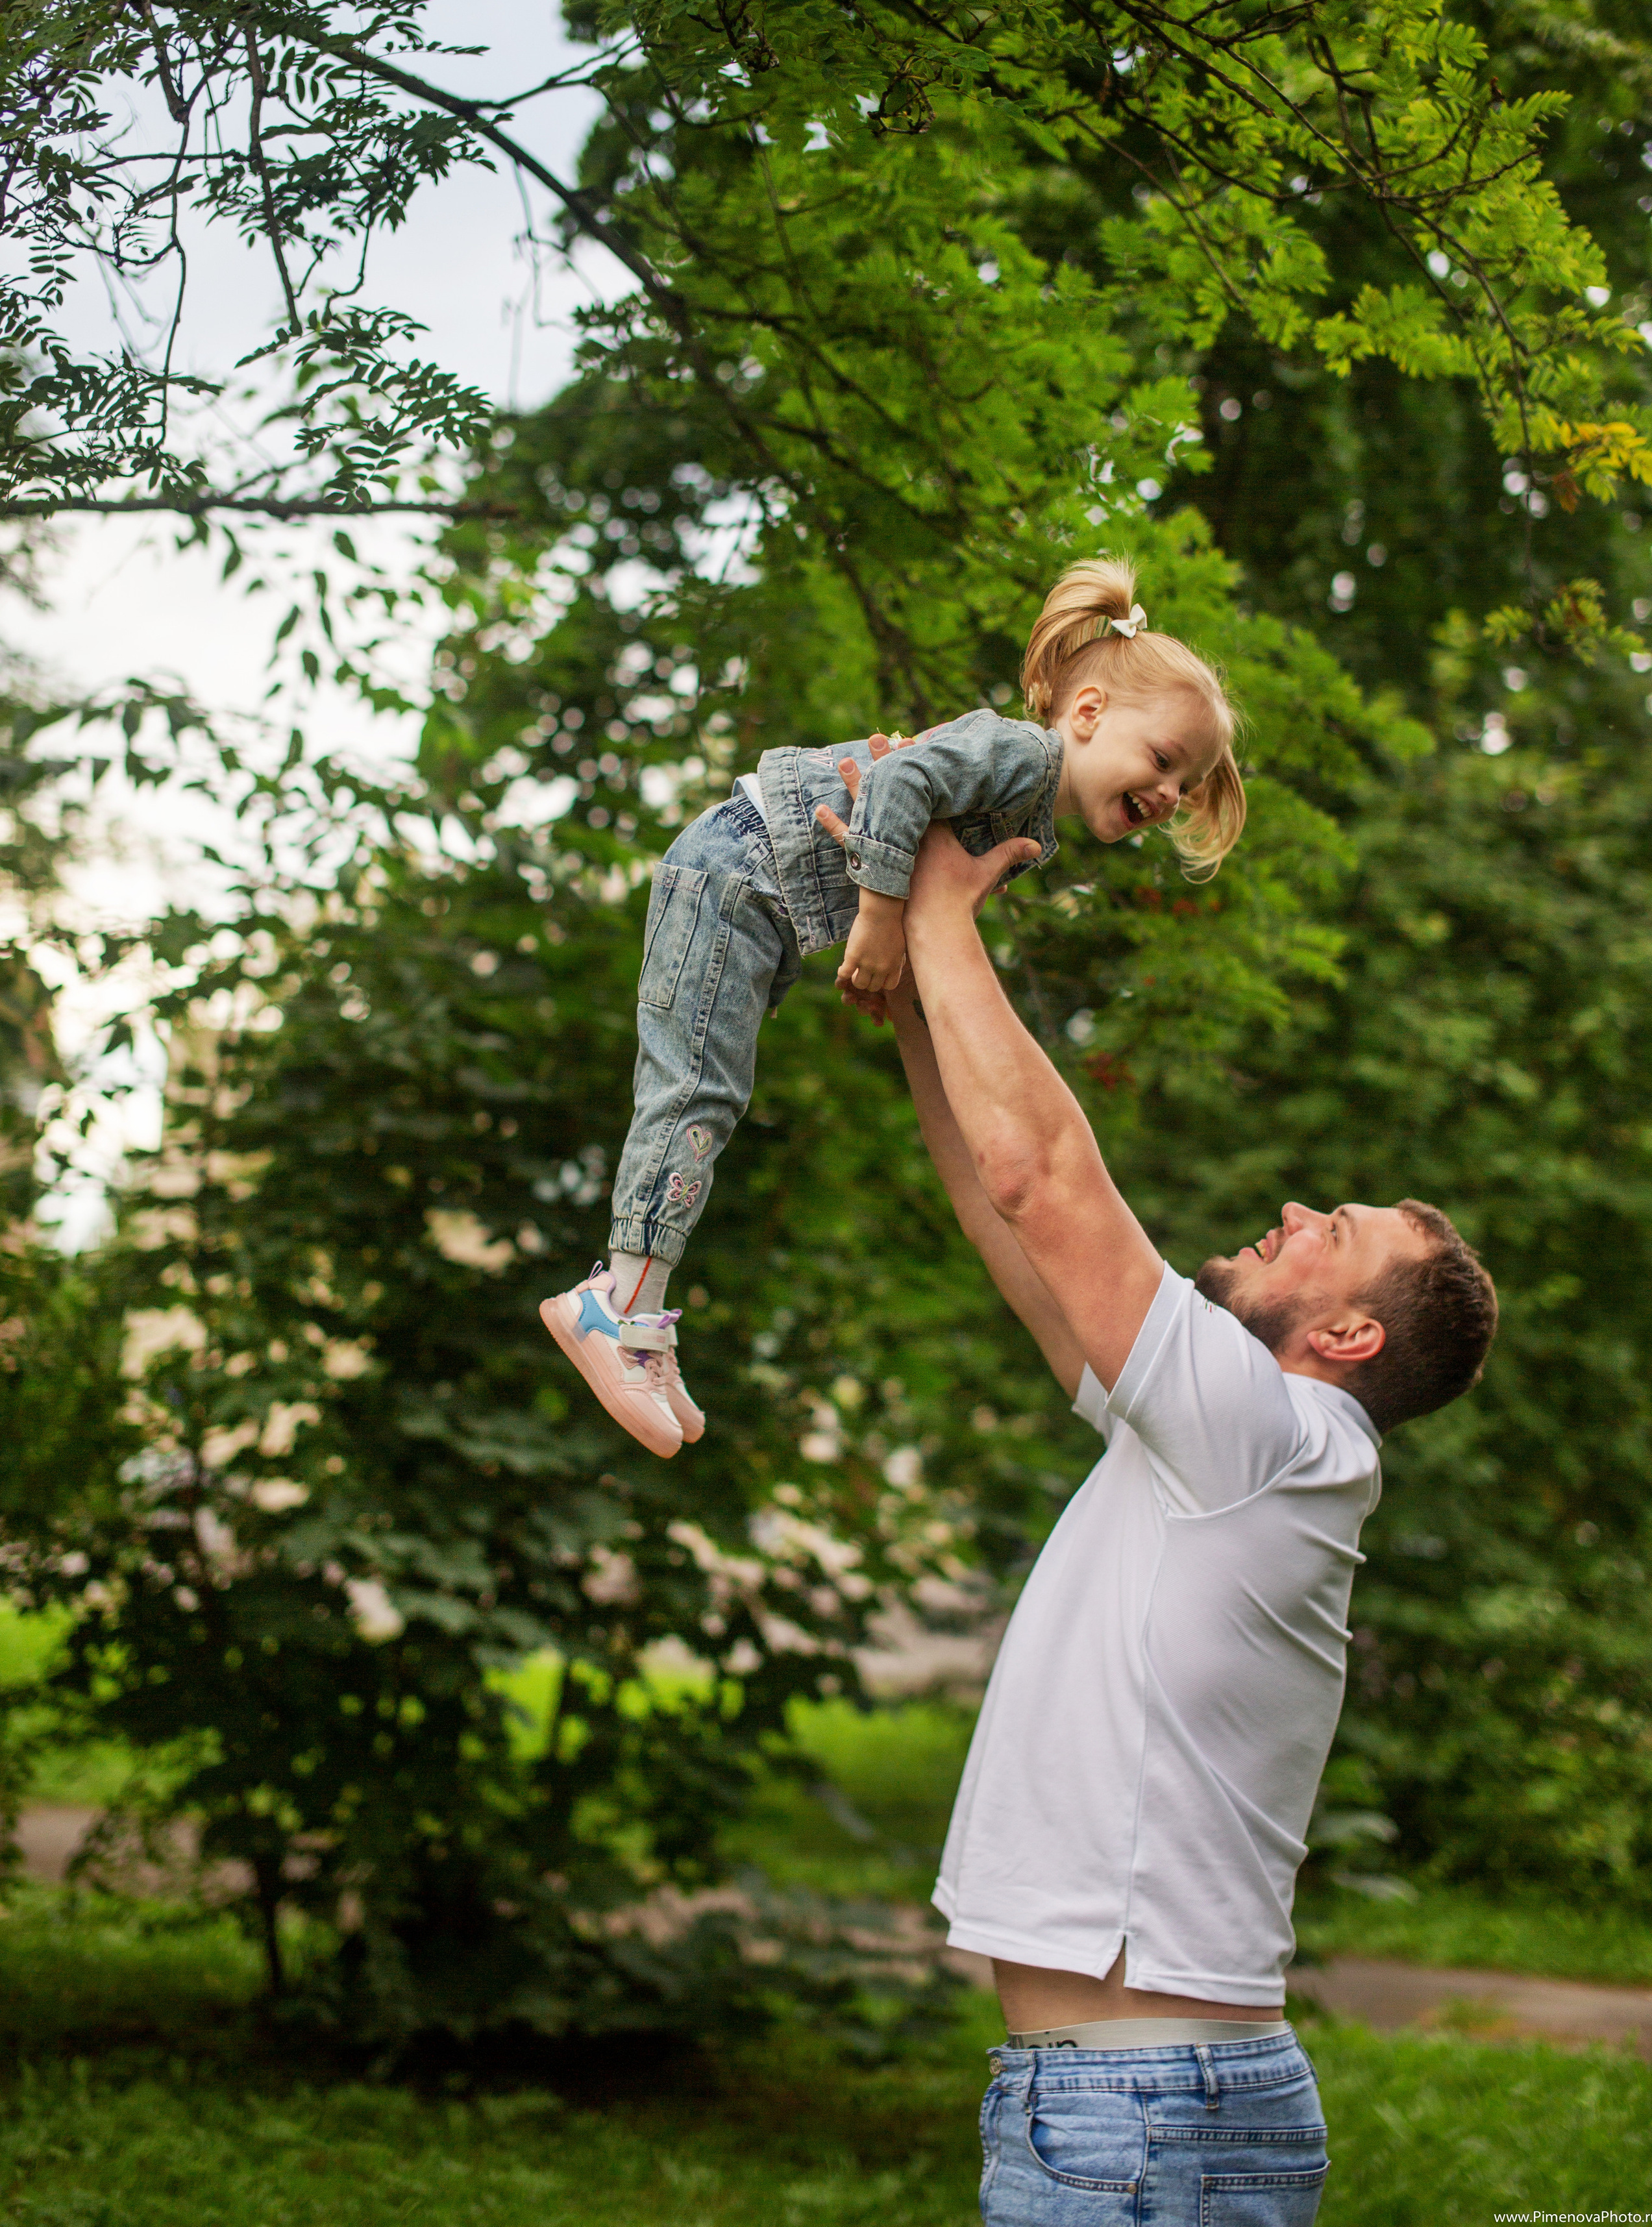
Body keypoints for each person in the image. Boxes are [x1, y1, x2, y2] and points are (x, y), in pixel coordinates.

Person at [816, 774, 1497, 2226]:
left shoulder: (1274, 1437)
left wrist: (940, 904)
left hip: (1133, 2116)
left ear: (1350, 1338)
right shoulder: (1220, 1447)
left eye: (1339, 1233)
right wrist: (920, 1020)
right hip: (1147, 2102)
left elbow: (1050, 1175)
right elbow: (1023, 1235)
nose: (1302, 1210)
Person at [541, 560, 1248, 1458]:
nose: (1170, 796)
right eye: (1163, 760)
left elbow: (926, 856)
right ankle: (615, 1307)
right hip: (742, 868)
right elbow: (899, 781)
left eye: (1186, 784)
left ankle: (636, 1299)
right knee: (693, 1095)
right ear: (1091, 712)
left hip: (764, 898)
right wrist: (877, 919)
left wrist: (902, 940)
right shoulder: (1024, 755)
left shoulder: (1038, 809)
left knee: (710, 1096)